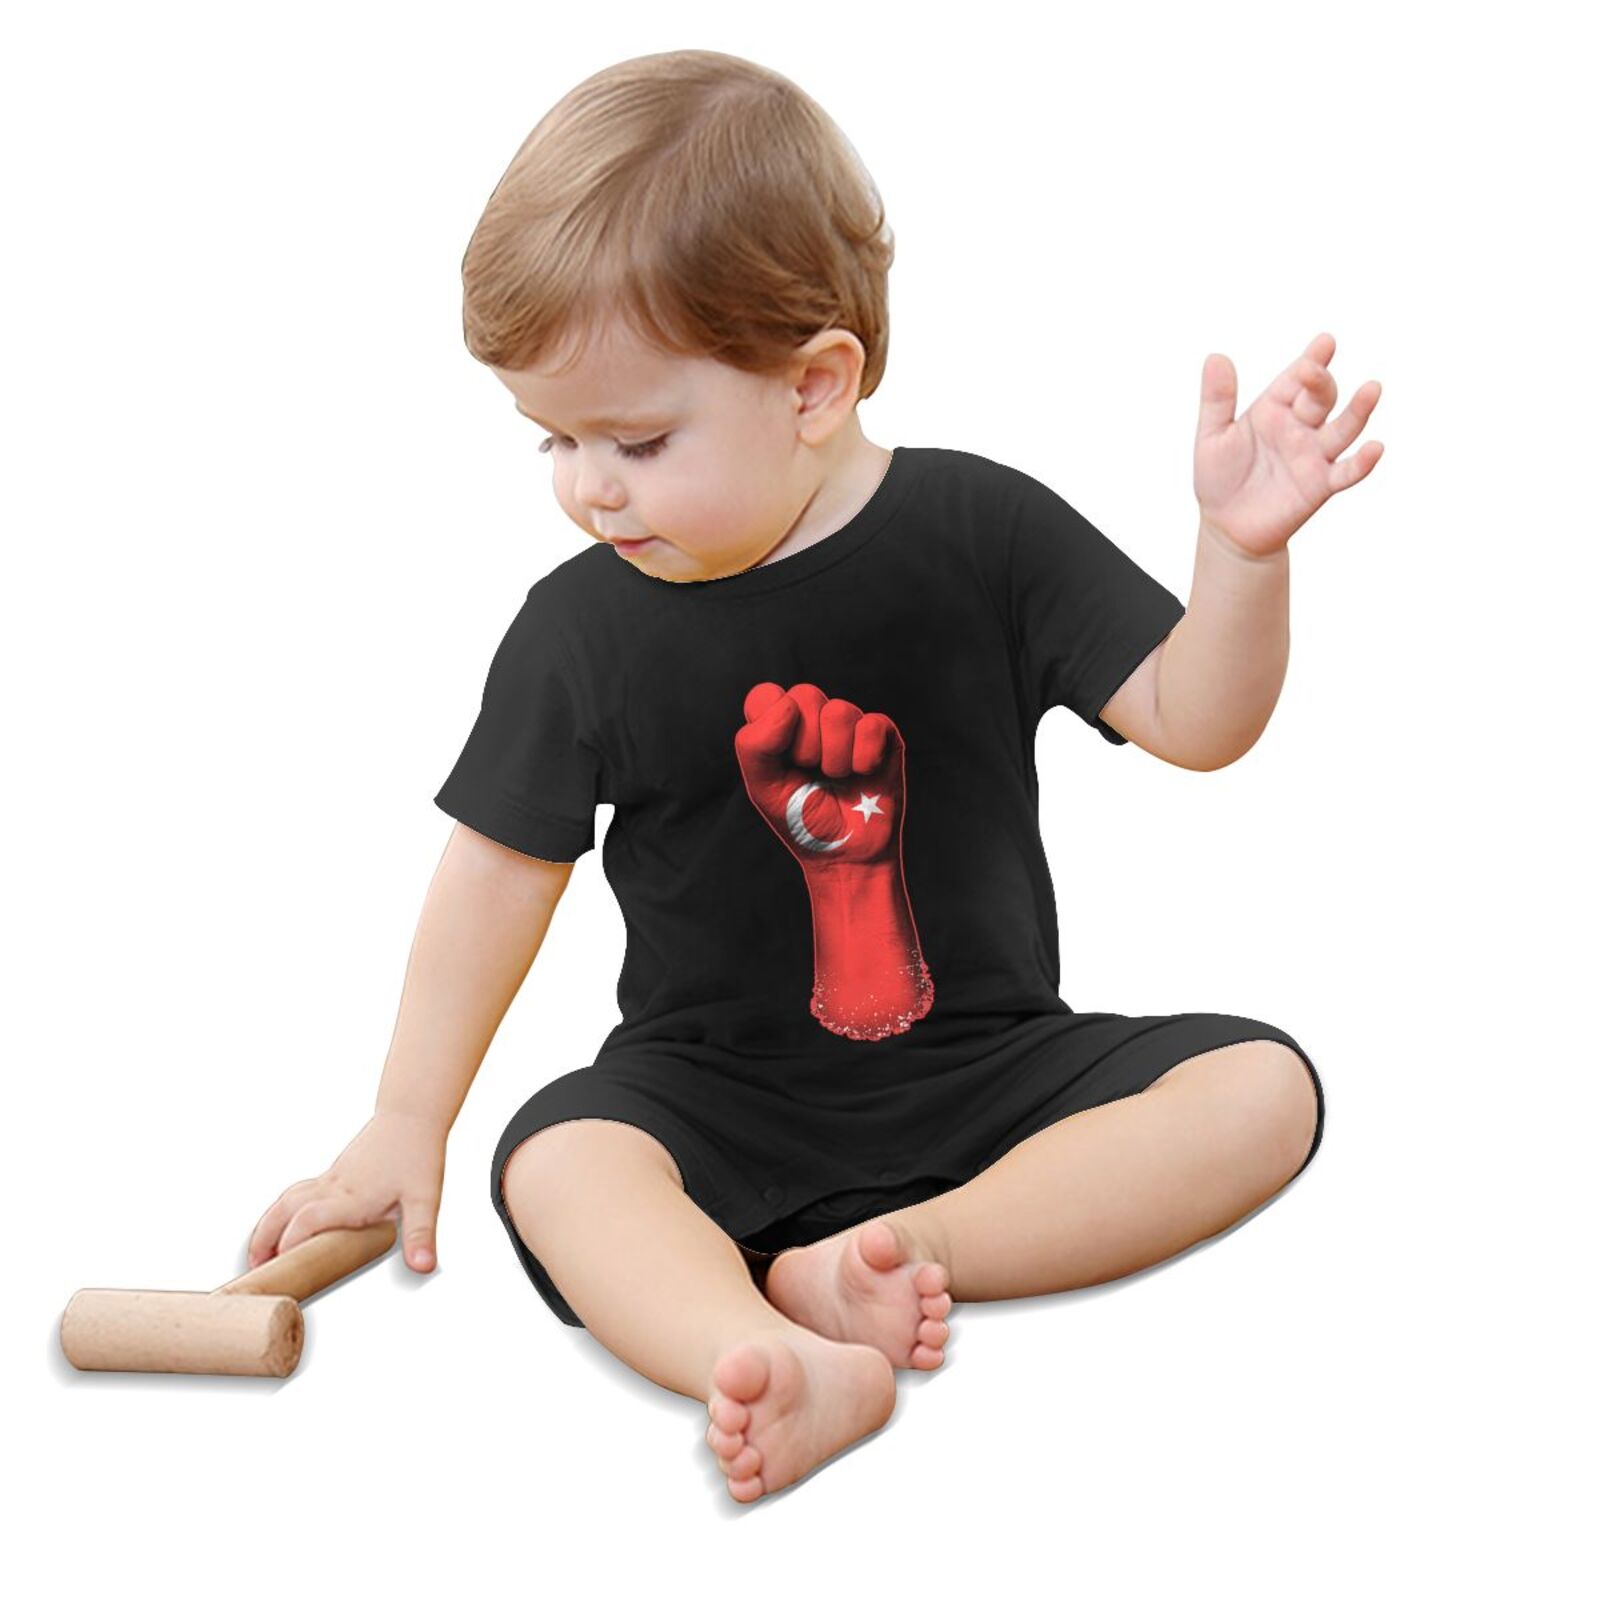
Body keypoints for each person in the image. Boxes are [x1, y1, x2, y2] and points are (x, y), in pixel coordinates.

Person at [247, 48, 1382, 1504]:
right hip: (712, 1099)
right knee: (558, 1159)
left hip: (989, 1076)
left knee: (1260, 1087)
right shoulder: (578, 628)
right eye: (555, 440)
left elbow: (1197, 720)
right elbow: (497, 870)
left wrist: (1240, 557)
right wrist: (407, 1120)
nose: (589, 486)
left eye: (637, 439)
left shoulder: (984, 529)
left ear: (813, 385)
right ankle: (768, 1350)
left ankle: (903, 1257)